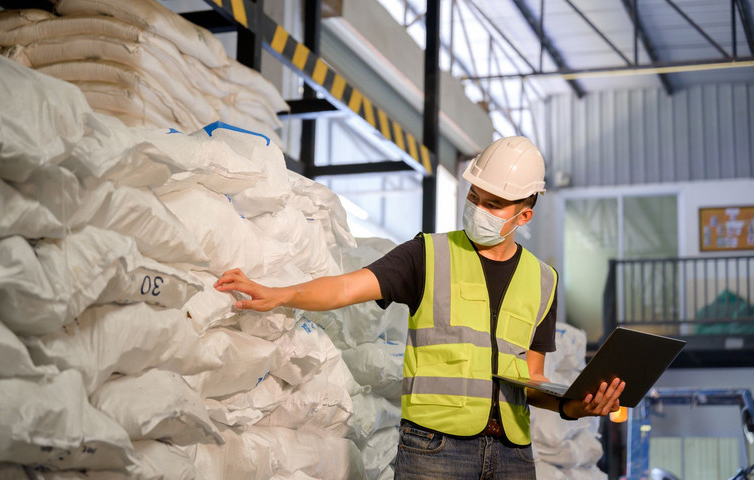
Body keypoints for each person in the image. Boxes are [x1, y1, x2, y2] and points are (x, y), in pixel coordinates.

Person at [215, 136, 625, 480]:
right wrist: (281, 293)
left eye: (494, 204)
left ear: (524, 213)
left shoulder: (544, 281)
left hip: (513, 457)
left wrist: (574, 406)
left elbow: (533, 380)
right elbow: (345, 288)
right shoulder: (427, 254)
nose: (479, 209)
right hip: (435, 449)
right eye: (474, 196)